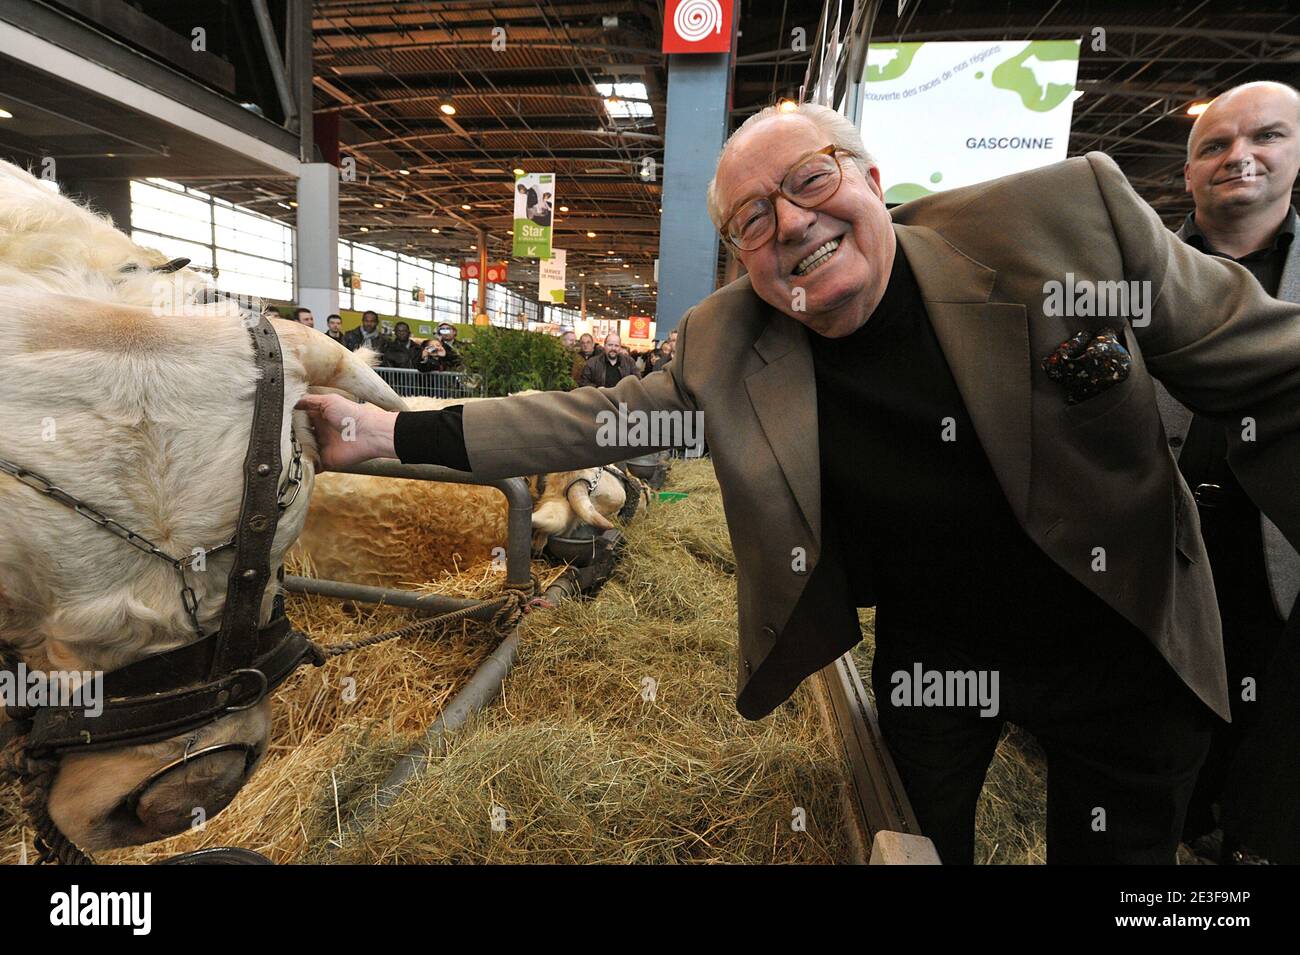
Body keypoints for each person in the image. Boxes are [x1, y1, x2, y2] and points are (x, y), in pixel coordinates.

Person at [298, 102, 1300, 864]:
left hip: (1123, 634)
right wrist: (387, 428)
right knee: (905, 839)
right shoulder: (729, 342)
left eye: (811, 180)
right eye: (750, 218)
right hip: (936, 654)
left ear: (871, 175)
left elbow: (1264, 360)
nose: (789, 222)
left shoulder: (1060, 223)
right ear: (741, 252)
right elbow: (588, 419)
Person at [1157, 81, 1300, 865]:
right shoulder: (1130, 271)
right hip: (1162, 545)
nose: (1239, 156)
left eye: (1266, 138)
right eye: (1214, 145)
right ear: (1188, 173)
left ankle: (1236, 846)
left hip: (1275, 553)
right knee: (1160, 719)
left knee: (1264, 724)